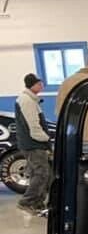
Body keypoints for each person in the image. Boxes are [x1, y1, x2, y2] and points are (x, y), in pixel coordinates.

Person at [15, 74, 52, 214]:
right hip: (34, 144)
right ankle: (27, 201)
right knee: (41, 174)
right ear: (33, 84)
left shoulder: (31, 100)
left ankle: (37, 203)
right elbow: (34, 127)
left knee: (43, 174)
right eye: (39, 83)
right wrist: (47, 139)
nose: (41, 85)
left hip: (34, 144)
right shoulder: (27, 101)